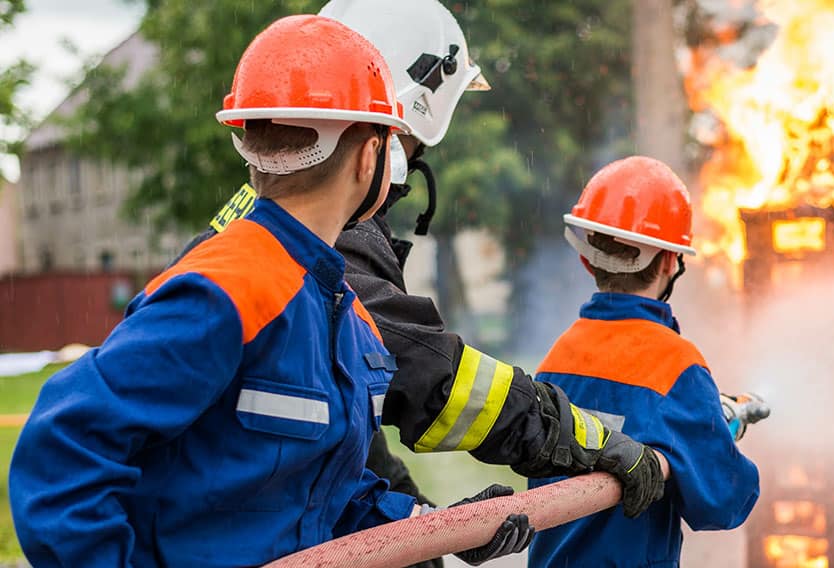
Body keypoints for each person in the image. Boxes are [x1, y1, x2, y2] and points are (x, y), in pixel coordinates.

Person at [9, 16, 529, 567]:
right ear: (373, 155)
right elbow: (62, 449)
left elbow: (324, 493)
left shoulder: (345, 317)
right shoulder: (225, 291)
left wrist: (439, 530)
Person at [188, 0, 667, 525]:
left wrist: (420, 527)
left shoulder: (271, 220)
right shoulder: (317, 244)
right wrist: (585, 440)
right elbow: (433, 377)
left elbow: (336, 435)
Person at [527, 156, 761, 567]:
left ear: (587, 258)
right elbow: (723, 502)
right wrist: (717, 437)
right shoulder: (677, 366)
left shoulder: (558, 357)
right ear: (671, 261)